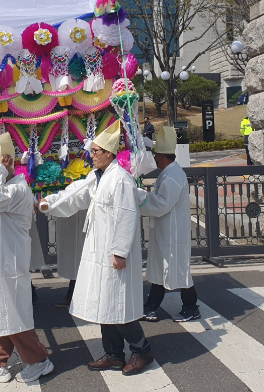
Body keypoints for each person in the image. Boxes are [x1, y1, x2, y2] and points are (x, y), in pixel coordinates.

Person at [40, 120, 154, 376]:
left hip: (114, 253)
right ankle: (114, 354)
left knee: (119, 304)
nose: (91, 155)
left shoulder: (121, 179)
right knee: (106, 304)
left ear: (109, 153)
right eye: (92, 151)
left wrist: (120, 251)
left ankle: (142, 350)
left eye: (96, 151)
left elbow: (126, 215)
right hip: (98, 250)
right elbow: (73, 195)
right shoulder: (95, 177)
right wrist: (49, 202)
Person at [0, 133, 53, 384]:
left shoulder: (17, 189)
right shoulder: (7, 190)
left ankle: (39, 360)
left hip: (9, 262)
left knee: (12, 312)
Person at [139, 127, 200, 323]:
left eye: (156, 155)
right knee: (162, 270)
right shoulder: (169, 172)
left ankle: (191, 307)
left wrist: (140, 198)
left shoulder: (173, 175)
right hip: (167, 231)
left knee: (178, 272)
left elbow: (161, 204)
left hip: (173, 233)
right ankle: (152, 307)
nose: (155, 158)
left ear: (162, 156)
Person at [52, 210, 86, 308]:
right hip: (69, 215)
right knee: (74, 257)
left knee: (79, 255)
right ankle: (72, 294)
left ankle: (74, 295)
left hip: (82, 216)